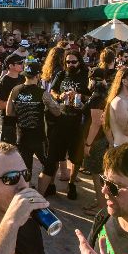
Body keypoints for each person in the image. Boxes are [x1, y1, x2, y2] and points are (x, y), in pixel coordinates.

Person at [6, 60, 63, 197]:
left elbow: (9, 112)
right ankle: (40, 194)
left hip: (22, 136)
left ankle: (27, 197)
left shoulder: (15, 90)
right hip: (39, 138)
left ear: (25, 75)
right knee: (49, 166)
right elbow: (57, 112)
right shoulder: (42, 93)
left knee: (26, 169)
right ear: (38, 76)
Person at [48, 51, 91, 197]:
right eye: (68, 62)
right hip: (61, 118)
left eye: (73, 62)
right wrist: (60, 96)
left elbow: (92, 96)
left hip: (78, 120)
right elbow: (52, 91)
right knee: (55, 153)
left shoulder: (86, 75)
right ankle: (51, 184)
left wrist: (80, 96)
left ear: (79, 62)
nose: (70, 65)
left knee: (76, 156)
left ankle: (72, 184)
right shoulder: (61, 74)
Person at [0, 53, 24, 145]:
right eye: (19, 63)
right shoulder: (3, 81)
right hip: (7, 122)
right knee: (8, 152)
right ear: (11, 66)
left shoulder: (22, 78)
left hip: (21, 121)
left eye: (22, 62)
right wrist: (17, 102)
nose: (22, 64)